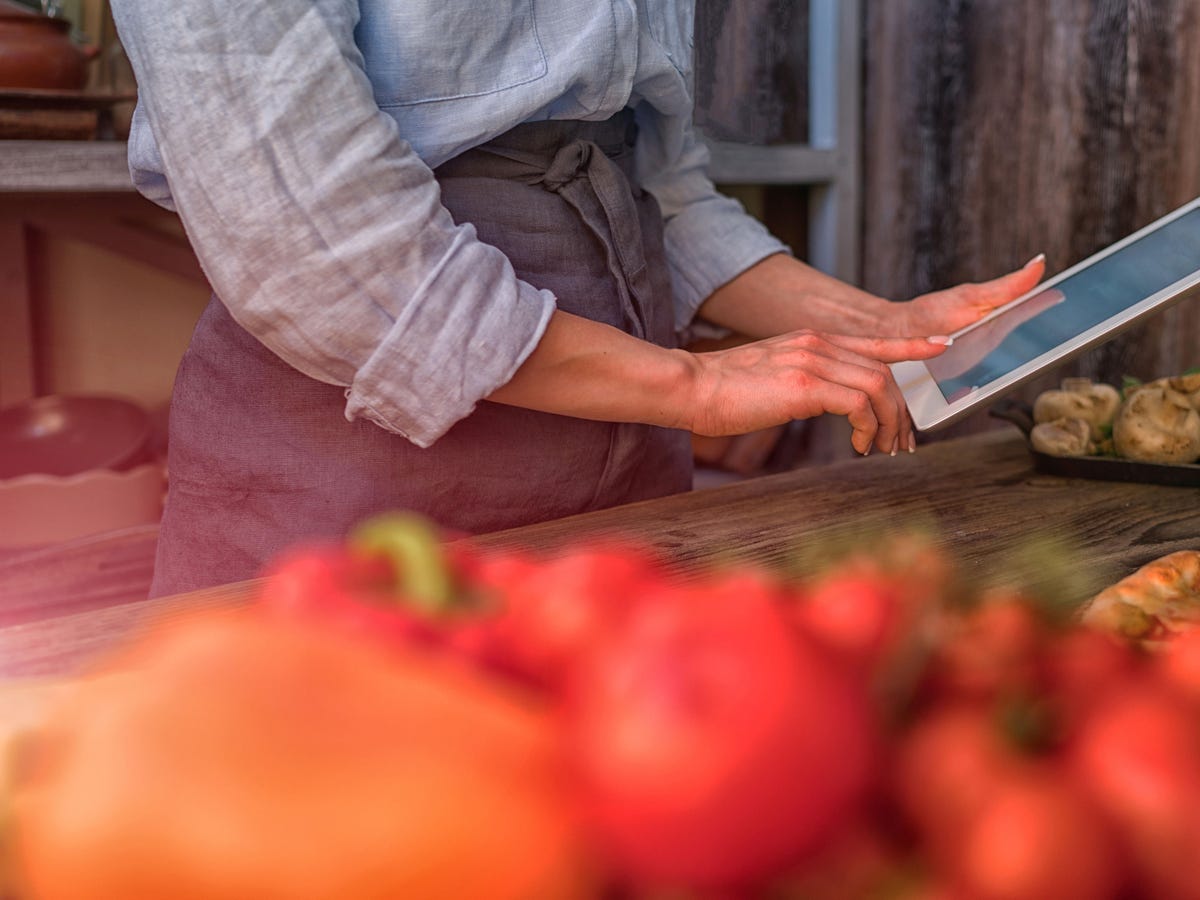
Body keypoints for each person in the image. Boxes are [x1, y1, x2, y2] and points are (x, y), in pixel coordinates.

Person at [110, 0, 1045, 597]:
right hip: (363, 457)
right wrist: (695, 388)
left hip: (622, 440)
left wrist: (876, 328)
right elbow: (305, 225)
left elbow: (652, 183)